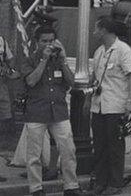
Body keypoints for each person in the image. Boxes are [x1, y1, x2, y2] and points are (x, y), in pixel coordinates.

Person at [23, 26, 83, 196]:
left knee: (68, 149)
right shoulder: (29, 59)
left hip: (59, 111)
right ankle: (36, 188)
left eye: (51, 41)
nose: (48, 44)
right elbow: (31, 81)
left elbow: (72, 82)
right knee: (34, 154)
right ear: (37, 42)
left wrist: (63, 60)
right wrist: (43, 59)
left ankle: (71, 186)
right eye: (44, 41)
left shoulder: (59, 60)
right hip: (36, 111)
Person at [90, 17, 131, 196]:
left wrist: (130, 101)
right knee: (100, 145)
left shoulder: (123, 50)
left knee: (115, 146)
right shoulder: (99, 51)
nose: (94, 32)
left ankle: (115, 183)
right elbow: (95, 76)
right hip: (99, 105)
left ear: (104, 30)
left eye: (96, 29)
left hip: (116, 105)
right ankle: (100, 182)